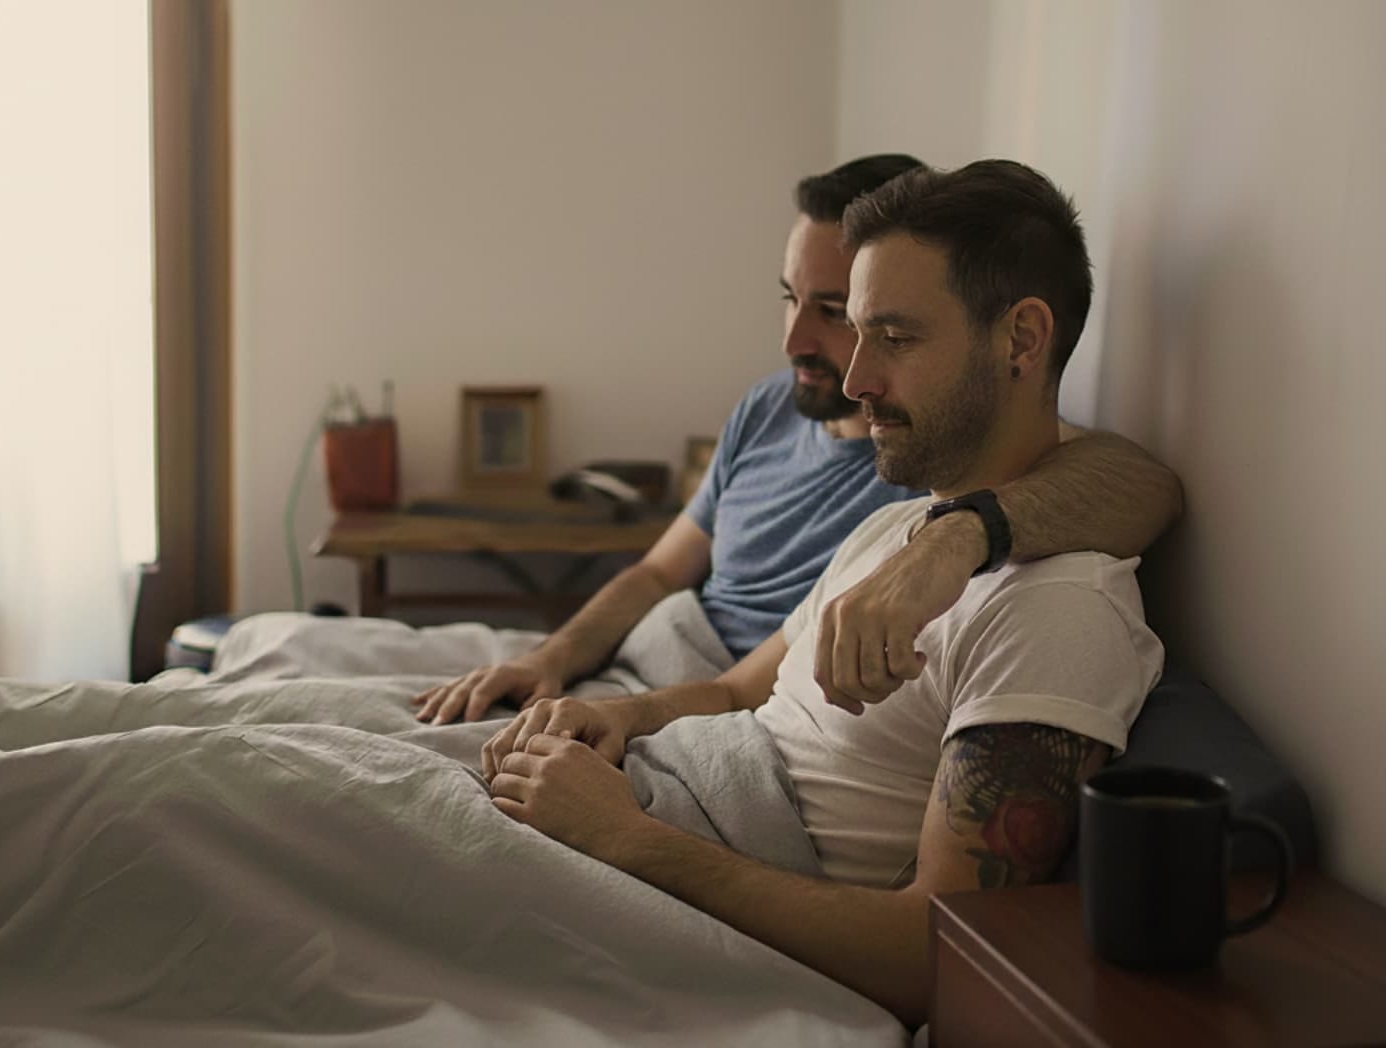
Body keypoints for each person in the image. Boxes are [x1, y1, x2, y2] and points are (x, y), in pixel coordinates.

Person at [481, 159, 1165, 1026]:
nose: (854, 381)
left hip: (654, 851)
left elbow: (941, 955)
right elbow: (737, 690)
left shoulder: (1058, 613)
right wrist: (619, 718)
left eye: (895, 337)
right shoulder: (894, 532)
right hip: (638, 789)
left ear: (1023, 340)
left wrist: (625, 837)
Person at [413, 155, 1182, 725]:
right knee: (300, 665)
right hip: (641, 676)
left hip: (704, 705)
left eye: (841, 314)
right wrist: (548, 659)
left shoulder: (935, 443)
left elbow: (1135, 481)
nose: (798, 343)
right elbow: (655, 576)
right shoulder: (773, 410)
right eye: (791, 301)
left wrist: (954, 540)